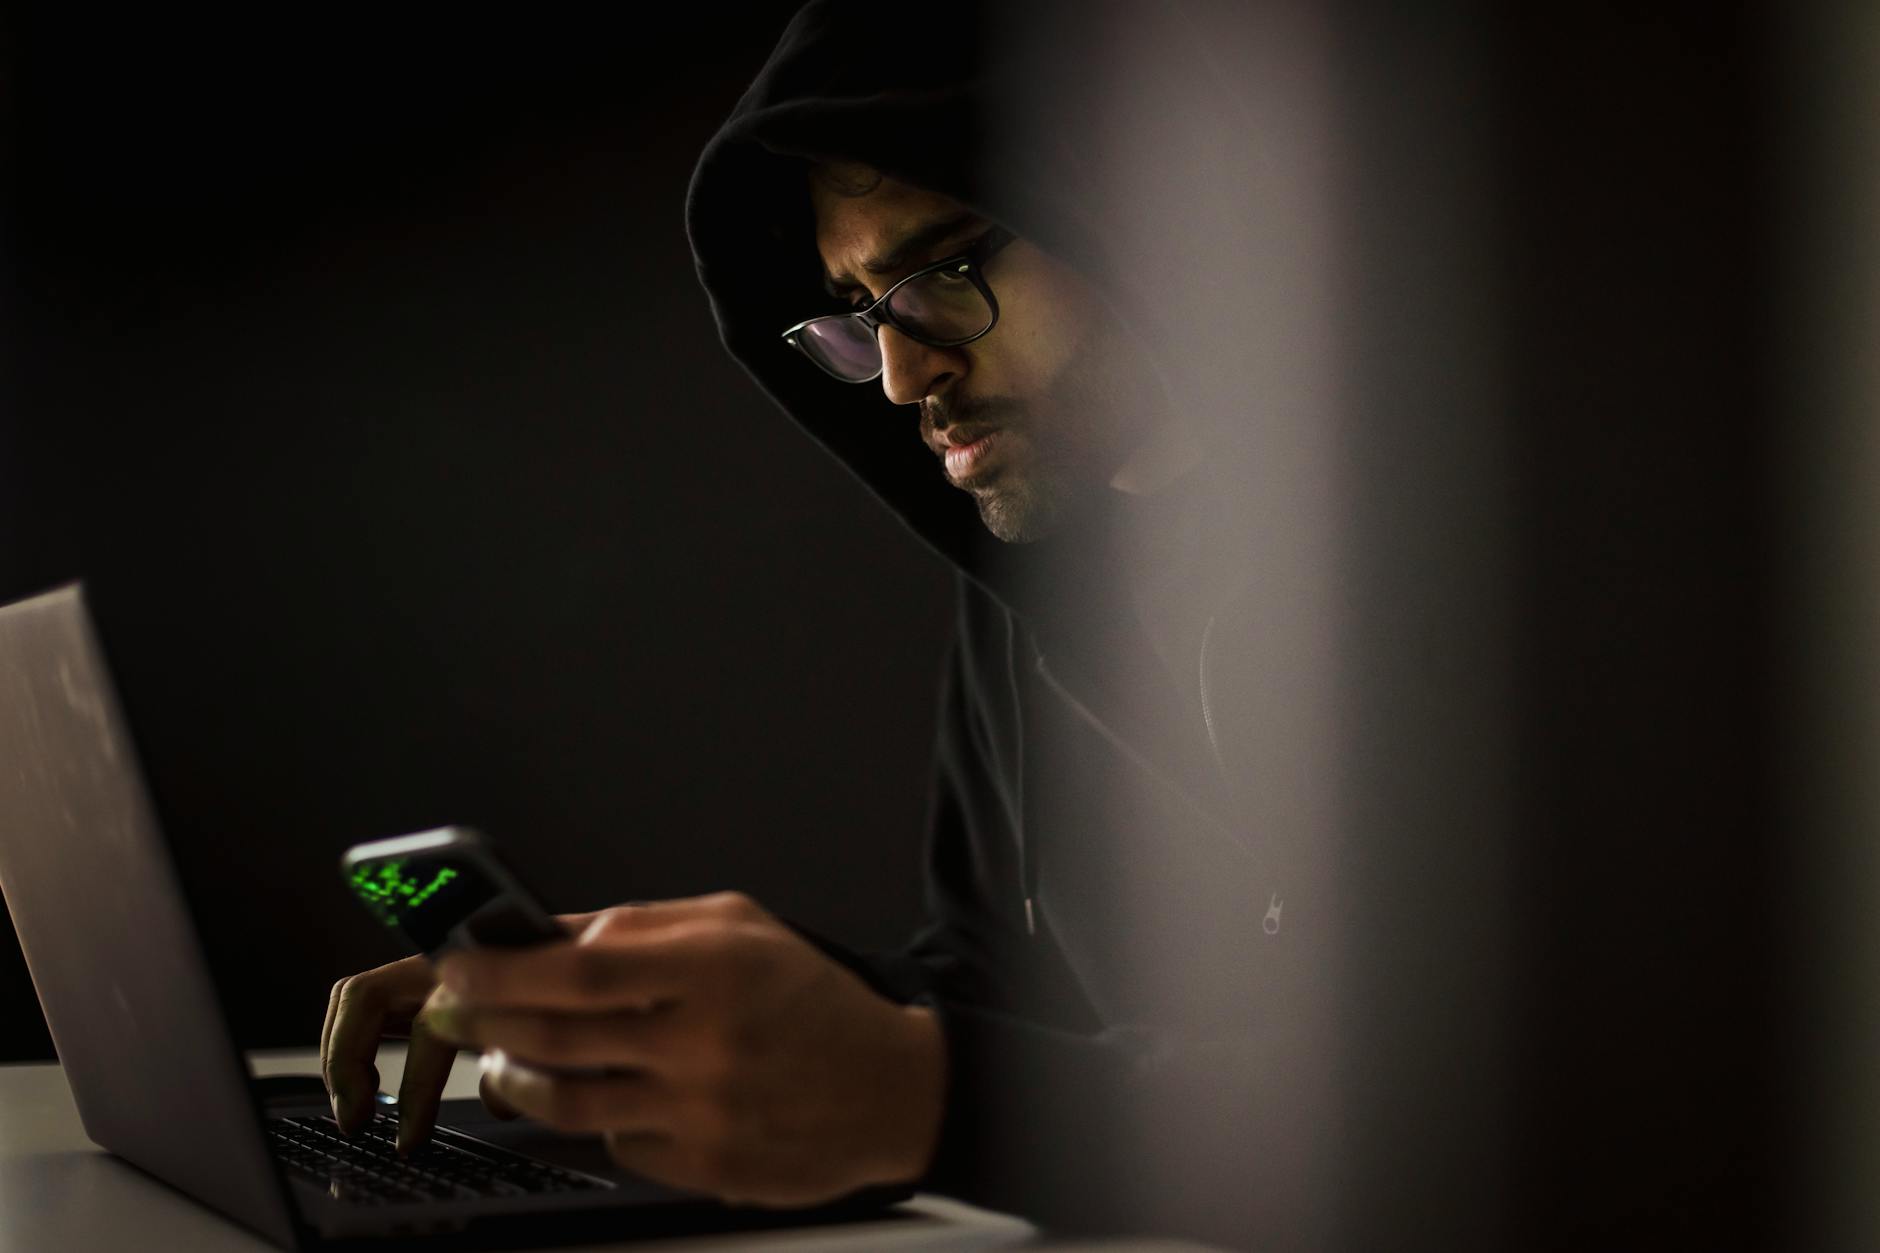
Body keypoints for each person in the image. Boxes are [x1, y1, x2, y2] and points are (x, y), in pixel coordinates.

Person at [321, 2, 1337, 1247]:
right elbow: (994, 984)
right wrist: (635, 991)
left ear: (1133, 206)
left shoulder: (1463, 576)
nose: (906, 378)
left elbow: (1547, 1089)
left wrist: (926, 1098)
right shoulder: (1036, 573)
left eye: (945, 270)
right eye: (861, 307)